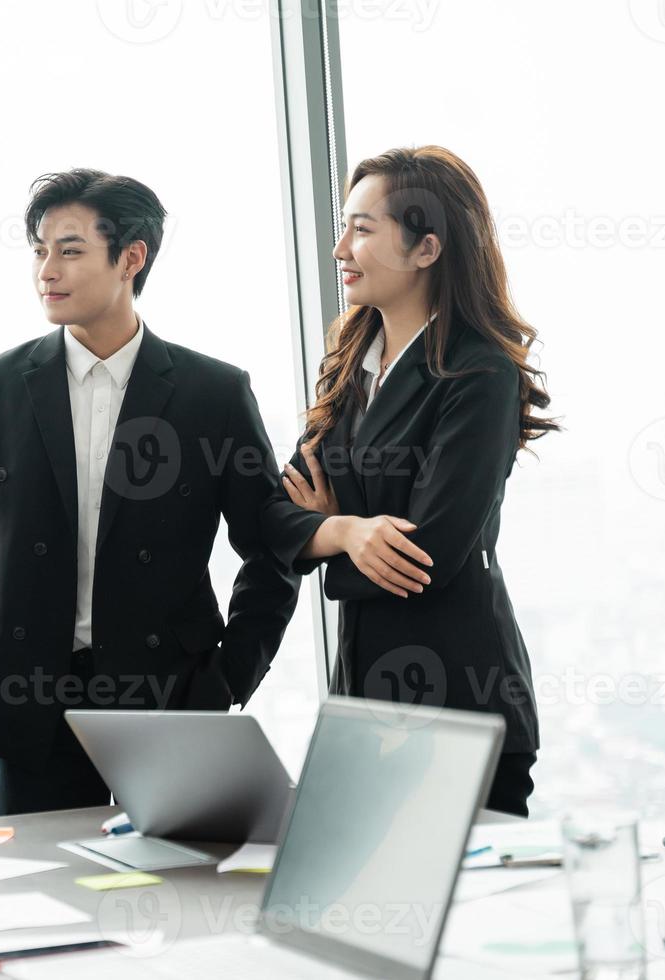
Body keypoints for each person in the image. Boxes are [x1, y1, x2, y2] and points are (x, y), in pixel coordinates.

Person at [0, 169, 301, 817]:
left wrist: (228, 679)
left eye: (69, 250)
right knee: (56, 911)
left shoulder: (212, 393)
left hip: (171, 703)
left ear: (132, 257)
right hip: (28, 712)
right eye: (39, 250)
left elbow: (272, 550)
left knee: (182, 901)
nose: (47, 269)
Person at [266, 146, 557, 816]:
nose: (341, 247)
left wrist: (327, 545)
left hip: (462, 703)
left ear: (426, 248)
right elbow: (276, 515)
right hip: (365, 708)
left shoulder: (478, 373)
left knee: (464, 918)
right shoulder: (350, 363)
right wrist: (347, 530)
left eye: (363, 229)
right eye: (345, 226)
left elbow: (430, 552)